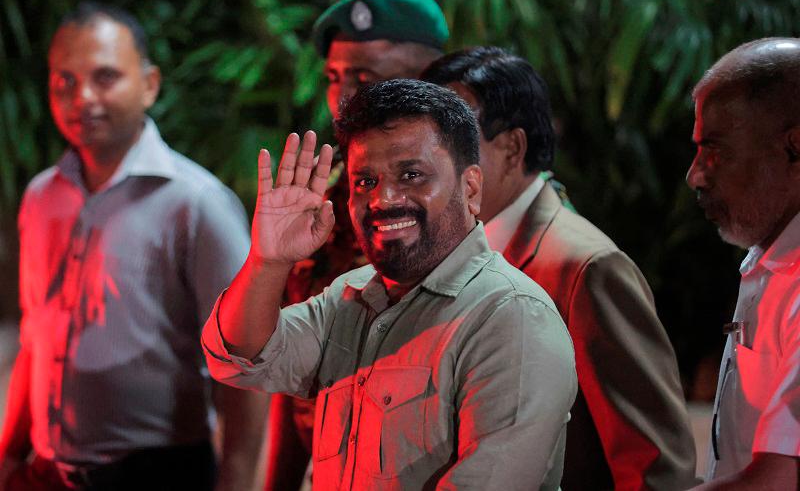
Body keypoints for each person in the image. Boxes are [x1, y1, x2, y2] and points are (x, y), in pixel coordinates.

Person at [202, 79, 578, 490]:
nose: (383, 199)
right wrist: (268, 261)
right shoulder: (352, 295)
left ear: (470, 188)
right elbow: (240, 357)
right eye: (365, 182)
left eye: (411, 174)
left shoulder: (513, 317)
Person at [0, 2, 267, 491]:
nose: (82, 98)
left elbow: (244, 371)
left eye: (105, 78)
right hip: (46, 473)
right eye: (65, 81)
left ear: (150, 84)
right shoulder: (42, 197)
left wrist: (237, 482)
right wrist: (10, 458)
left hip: (157, 474)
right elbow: (35, 337)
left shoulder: (197, 203)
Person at [423, 47, 697, 490]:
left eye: (454, 141)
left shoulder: (585, 269)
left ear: (512, 147)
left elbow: (653, 465)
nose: (429, 164)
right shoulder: (449, 249)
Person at [264, 0, 448, 490]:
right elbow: (292, 360)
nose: (343, 99)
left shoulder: (455, 205)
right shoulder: (324, 196)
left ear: (426, 81)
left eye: (365, 78)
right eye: (334, 78)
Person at [686, 37, 800, 490]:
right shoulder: (770, 256)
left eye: (713, 149)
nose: (694, 174)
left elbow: (777, 481)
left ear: (794, 147)